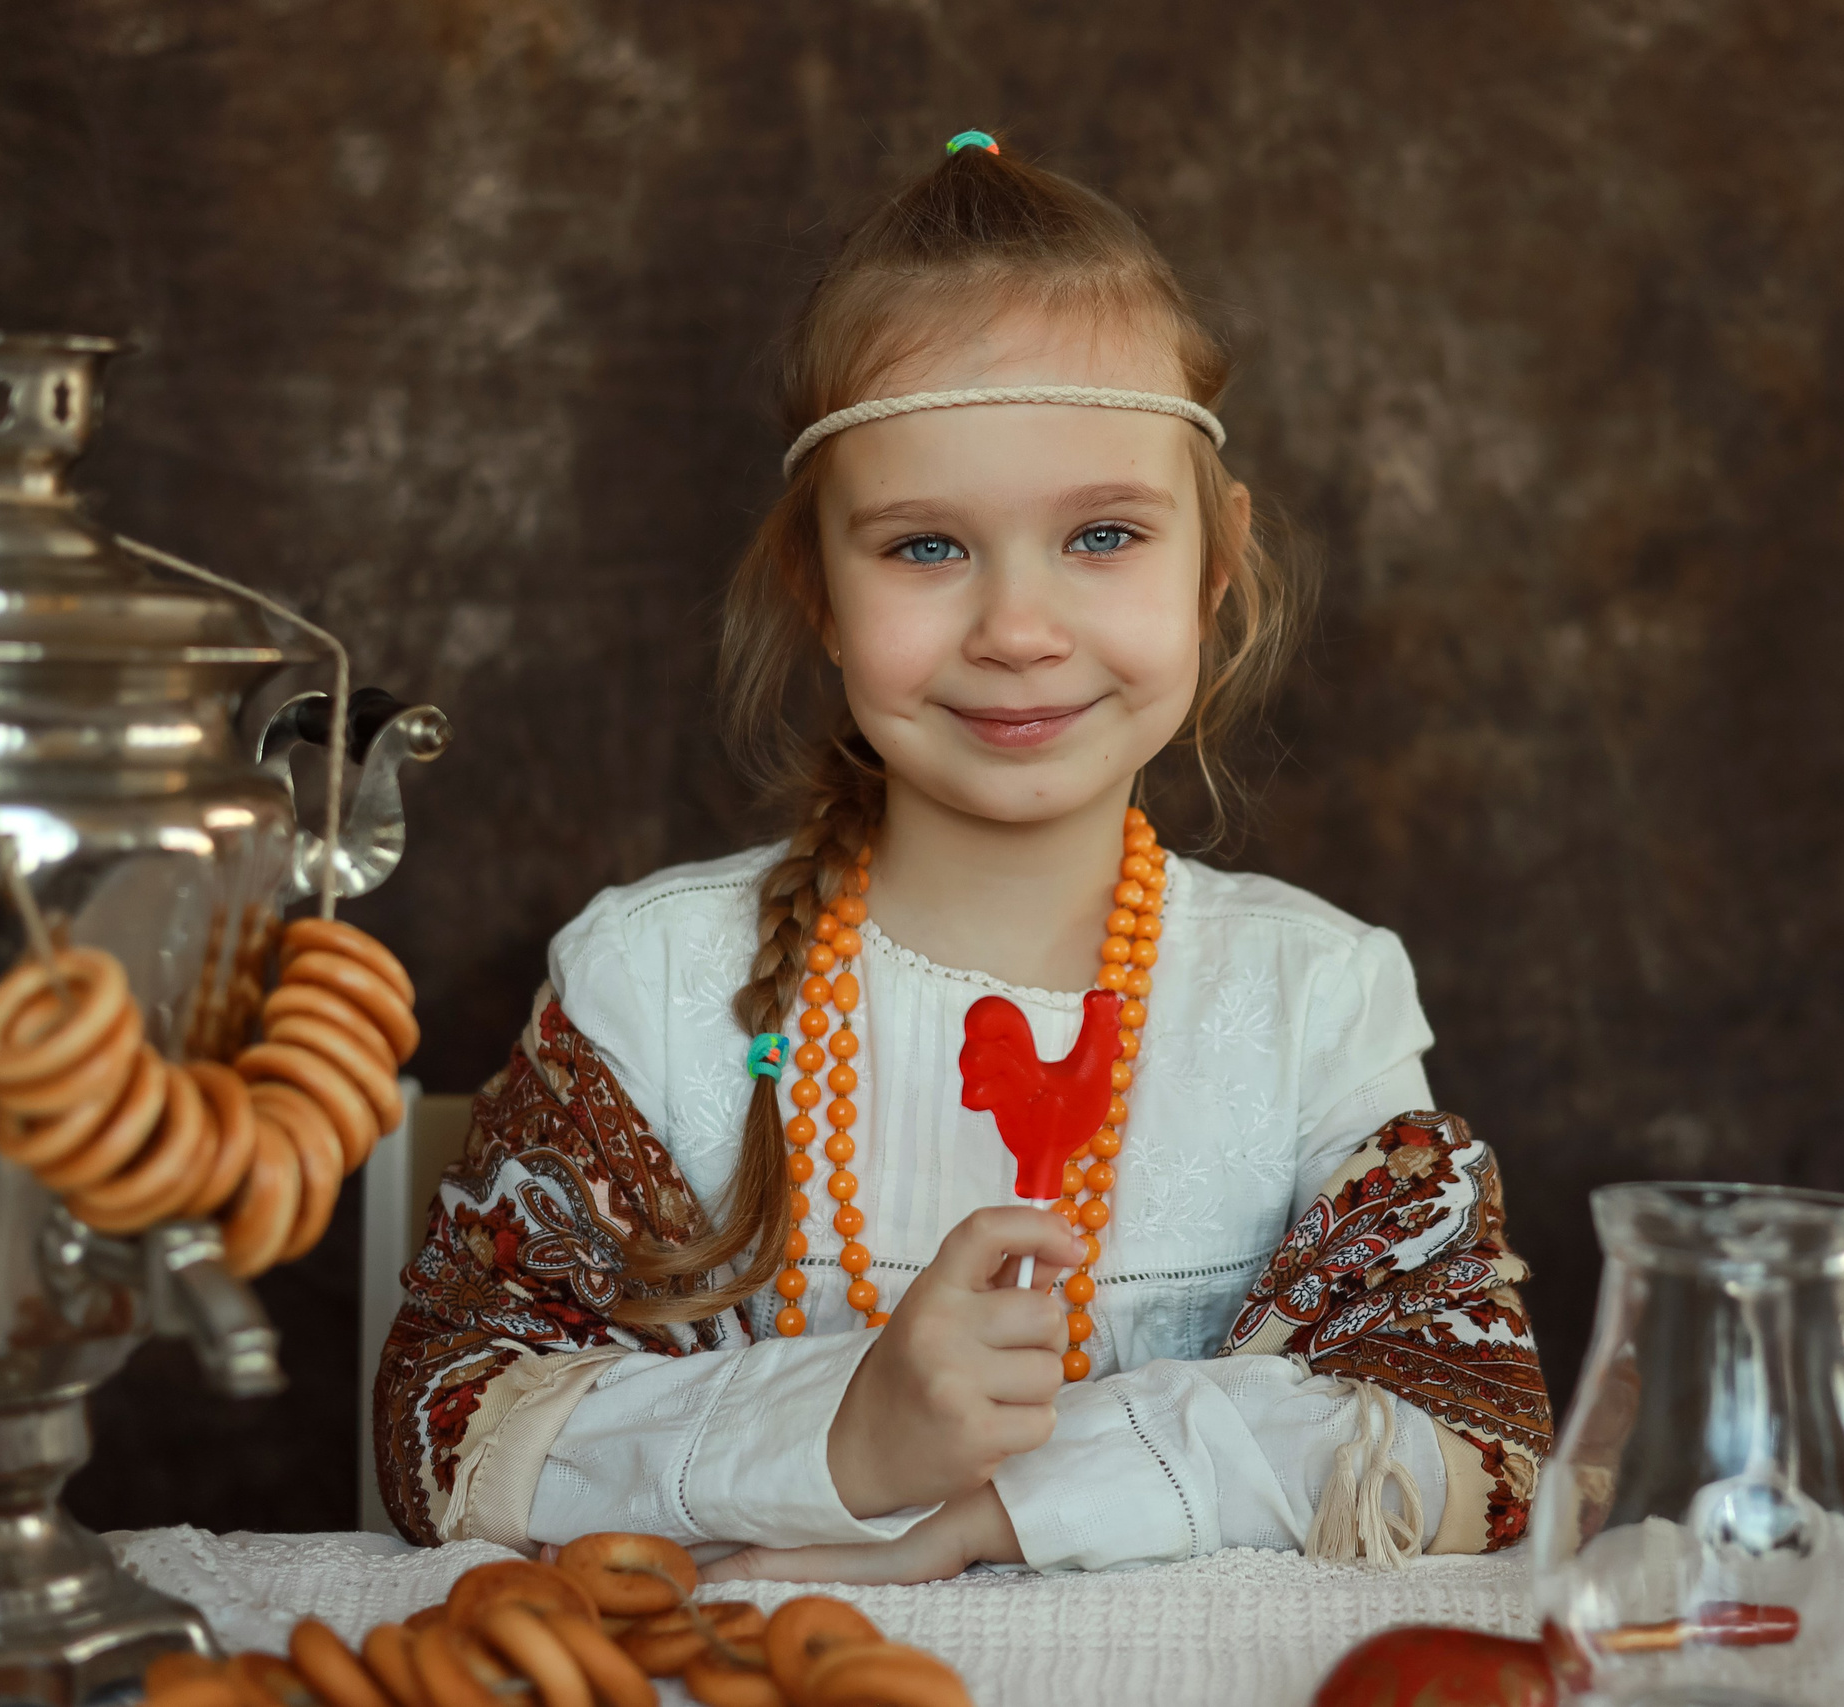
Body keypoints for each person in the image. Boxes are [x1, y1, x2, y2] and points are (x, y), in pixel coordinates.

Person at [374, 133, 1549, 1581]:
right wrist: (841, 1432)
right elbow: (452, 1427)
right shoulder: (652, 982)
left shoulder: (1317, 1000)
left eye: (1104, 534)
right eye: (926, 549)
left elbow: (1465, 1442)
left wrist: (998, 1516)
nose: (1017, 628)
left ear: (1217, 563)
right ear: (818, 582)